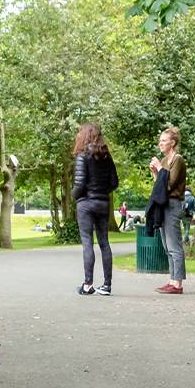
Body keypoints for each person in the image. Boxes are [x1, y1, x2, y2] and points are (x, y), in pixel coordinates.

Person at [71, 123, 119, 295]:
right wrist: (101, 193)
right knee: (104, 243)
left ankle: (88, 284)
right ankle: (107, 285)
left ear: (84, 135)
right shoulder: (107, 157)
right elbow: (114, 182)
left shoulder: (82, 156)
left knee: (87, 243)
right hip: (103, 203)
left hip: (86, 204)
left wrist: (74, 197)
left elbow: (79, 183)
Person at [149, 125, 189, 294]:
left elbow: (170, 183)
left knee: (174, 245)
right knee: (166, 245)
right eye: (160, 141)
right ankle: (172, 280)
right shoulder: (165, 161)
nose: (160, 144)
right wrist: (156, 172)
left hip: (173, 204)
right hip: (163, 204)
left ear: (172, 143)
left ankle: (178, 284)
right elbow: (160, 185)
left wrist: (159, 169)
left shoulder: (177, 159)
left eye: (164, 141)